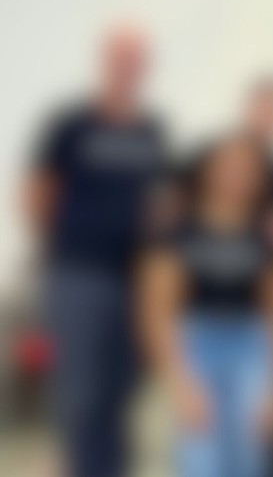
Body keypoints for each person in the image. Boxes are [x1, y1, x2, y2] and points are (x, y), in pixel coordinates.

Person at [26, 25, 167, 477]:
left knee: (121, 386)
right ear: (107, 63)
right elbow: (40, 191)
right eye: (121, 59)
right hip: (80, 274)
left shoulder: (149, 130)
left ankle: (104, 464)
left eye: (136, 60)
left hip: (135, 278)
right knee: (81, 388)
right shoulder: (72, 123)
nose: (128, 68)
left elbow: (156, 199)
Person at [140, 135, 273, 477]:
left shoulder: (261, 230)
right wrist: (179, 382)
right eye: (228, 168)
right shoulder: (177, 226)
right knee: (203, 457)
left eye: (247, 170)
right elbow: (157, 308)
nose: (237, 177)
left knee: (249, 454)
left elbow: (272, 305)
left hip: (250, 343)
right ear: (208, 171)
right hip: (196, 340)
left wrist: (272, 387)